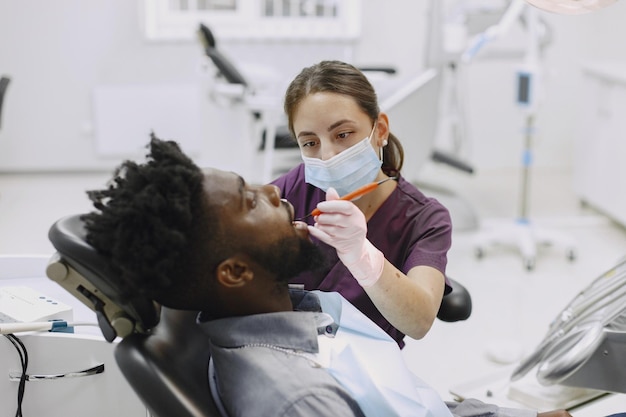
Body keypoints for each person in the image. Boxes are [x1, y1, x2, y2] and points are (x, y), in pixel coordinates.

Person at [82, 136, 574, 417]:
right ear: (233, 271)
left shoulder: (293, 311)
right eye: (250, 200)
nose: (274, 192)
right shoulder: (301, 399)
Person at [272, 60, 451, 348]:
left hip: (368, 370)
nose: (327, 155)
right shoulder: (292, 189)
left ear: (379, 130)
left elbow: (419, 322)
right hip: (286, 355)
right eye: (310, 143)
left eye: (342, 134)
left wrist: (362, 257)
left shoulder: (425, 219)